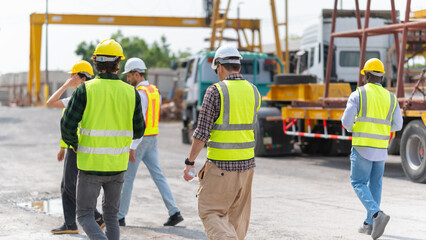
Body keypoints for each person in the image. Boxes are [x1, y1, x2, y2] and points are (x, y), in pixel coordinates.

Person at [61, 39, 145, 240]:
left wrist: (74, 143)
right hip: (117, 165)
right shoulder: (131, 92)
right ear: (118, 64)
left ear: (96, 63)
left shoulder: (85, 90)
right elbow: (139, 130)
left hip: (90, 164)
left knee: (84, 215)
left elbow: (67, 124)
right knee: (111, 216)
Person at [183, 45, 261, 240]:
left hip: (221, 167)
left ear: (219, 67)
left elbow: (201, 133)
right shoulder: (254, 91)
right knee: (237, 220)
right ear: (238, 66)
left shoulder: (215, 91)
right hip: (247, 167)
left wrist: (190, 162)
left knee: (210, 211)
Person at [342, 58, 403, 240]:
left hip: (362, 146)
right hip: (381, 148)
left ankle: (377, 214)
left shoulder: (358, 94)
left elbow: (346, 122)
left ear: (367, 75)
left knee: (358, 182)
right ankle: (369, 224)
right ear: (382, 77)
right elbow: (398, 125)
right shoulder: (391, 98)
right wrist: (381, 129)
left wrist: (356, 127)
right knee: (375, 184)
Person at [118, 57, 183, 227]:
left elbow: (141, 122)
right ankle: (174, 212)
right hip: (153, 138)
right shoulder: (154, 91)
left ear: (137, 74)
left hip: (140, 140)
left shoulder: (140, 94)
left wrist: (132, 146)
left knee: (128, 179)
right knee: (158, 176)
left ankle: (119, 216)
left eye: (129, 75)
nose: (127, 78)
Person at [47, 60, 105, 234]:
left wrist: (66, 85)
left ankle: (94, 216)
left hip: (79, 147)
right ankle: (71, 224)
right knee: (68, 185)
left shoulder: (82, 96)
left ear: (80, 77)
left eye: (73, 76)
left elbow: (51, 102)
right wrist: (62, 147)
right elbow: (60, 113)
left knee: (70, 185)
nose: (70, 78)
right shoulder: (83, 95)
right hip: (77, 146)